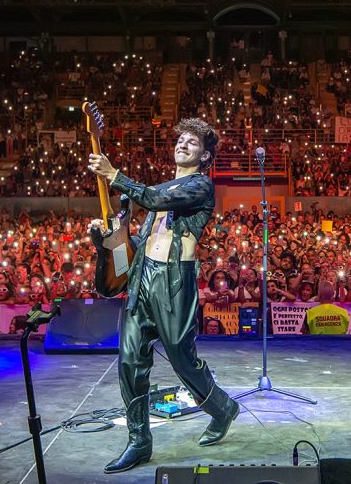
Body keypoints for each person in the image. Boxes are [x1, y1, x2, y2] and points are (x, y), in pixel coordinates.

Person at [87, 117, 238, 474]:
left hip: (174, 283)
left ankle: (221, 407)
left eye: (193, 143)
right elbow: (138, 245)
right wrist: (106, 243)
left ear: (204, 157)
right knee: (129, 361)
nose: (183, 144)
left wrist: (114, 174)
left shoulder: (200, 186)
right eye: (181, 139)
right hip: (143, 278)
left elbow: (153, 198)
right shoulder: (163, 188)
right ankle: (139, 442)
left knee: (182, 360)